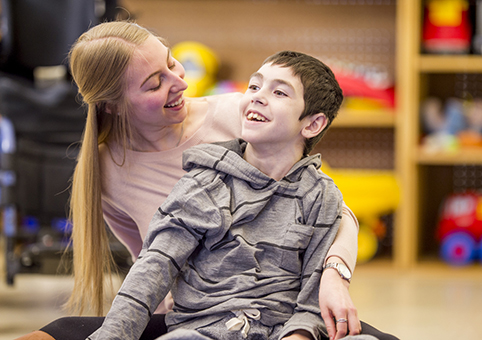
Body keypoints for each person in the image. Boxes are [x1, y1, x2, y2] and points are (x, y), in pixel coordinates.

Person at [16, 21, 397, 340]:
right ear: (113, 105)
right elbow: (151, 263)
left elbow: (332, 212)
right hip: (198, 315)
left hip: (286, 308)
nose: (179, 82)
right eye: (154, 83)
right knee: (57, 331)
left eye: (172, 62)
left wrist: (333, 275)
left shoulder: (244, 115)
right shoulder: (115, 172)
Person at [87, 49, 370, 340]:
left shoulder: (321, 196)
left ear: (312, 124)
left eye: (280, 93)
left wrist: (298, 335)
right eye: (255, 86)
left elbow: (313, 295)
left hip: (283, 330)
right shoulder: (202, 184)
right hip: (202, 331)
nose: (258, 96)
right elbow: (153, 266)